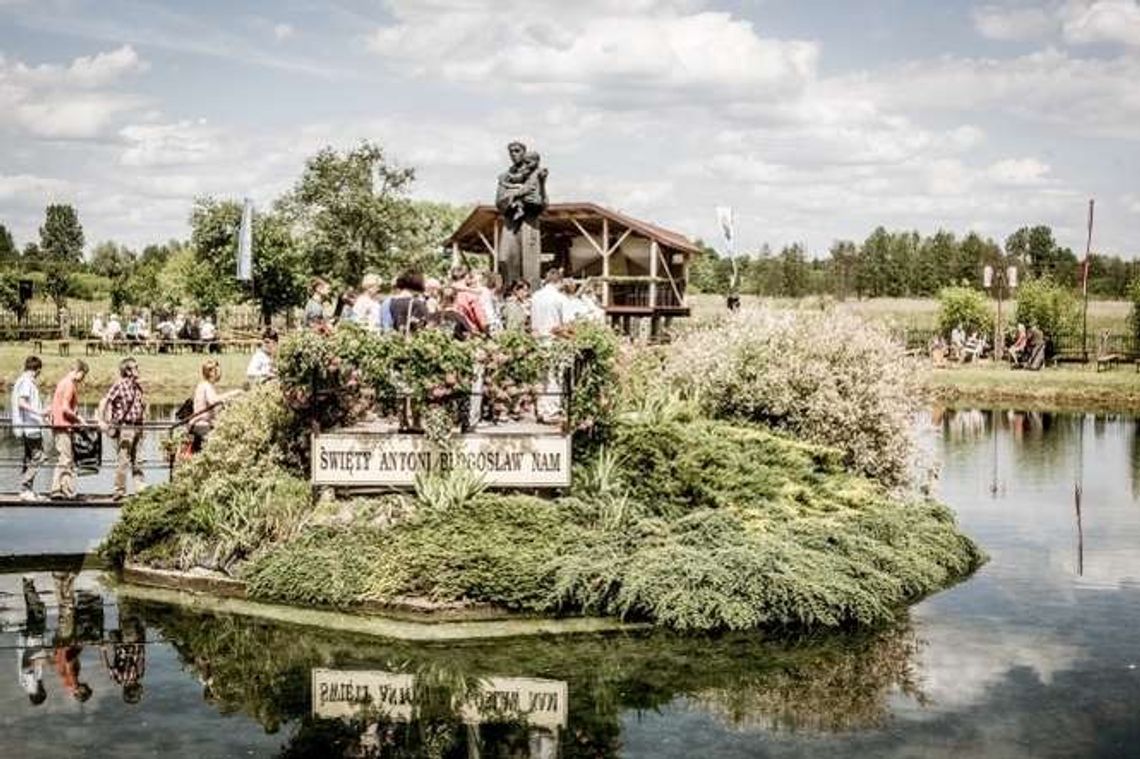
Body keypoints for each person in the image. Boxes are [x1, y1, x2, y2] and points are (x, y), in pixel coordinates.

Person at [98, 357, 146, 501]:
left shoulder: (137, 387)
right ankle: (119, 490)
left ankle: (140, 488)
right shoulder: (119, 385)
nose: (138, 369)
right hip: (125, 426)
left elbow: (141, 406)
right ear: (128, 370)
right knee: (123, 459)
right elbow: (106, 400)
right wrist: (102, 420)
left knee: (138, 459)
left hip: (137, 426)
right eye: (135, 367)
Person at [531, 268, 568, 423]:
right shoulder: (560, 298)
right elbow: (565, 322)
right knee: (554, 376)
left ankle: (541, 409)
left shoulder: (535, 296)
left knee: (540, 376)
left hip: (538, 339)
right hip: (554, 339)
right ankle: (552, 410)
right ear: (558, 281)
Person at [49, 359, 88, 500]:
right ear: (79, 372)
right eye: (83, 375)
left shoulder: (62, 382)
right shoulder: (69, 385)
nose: (82, 379)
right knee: (66, 458)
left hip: (58, 424)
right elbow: (65, 408)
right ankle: (63, 489)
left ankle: (61, 489)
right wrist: (79, 420)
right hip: (63, 425)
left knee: (64, 458)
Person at [11, 356, 46, 501]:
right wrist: (39, 412)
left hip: (26, 426)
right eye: (39, 371)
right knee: (39, 457)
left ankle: (27, 490)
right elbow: (22, 402)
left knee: (30, 458)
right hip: (30, 426)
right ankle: (25, 487)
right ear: (36, 370)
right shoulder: (26, 382)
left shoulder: (20, 380)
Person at [190, 360, 239, 453]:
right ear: (212, 373)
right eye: (218, 372)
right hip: (203, 426)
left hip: (198, 425)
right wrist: (232, 394)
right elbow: (213, 400)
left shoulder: (202, 385)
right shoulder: (206, 386)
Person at [450, 265, 488, 335]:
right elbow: (482, 320)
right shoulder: (470, 296)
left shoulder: (448, 294)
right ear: (466, 276)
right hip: (472, 334)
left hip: (454, 333)